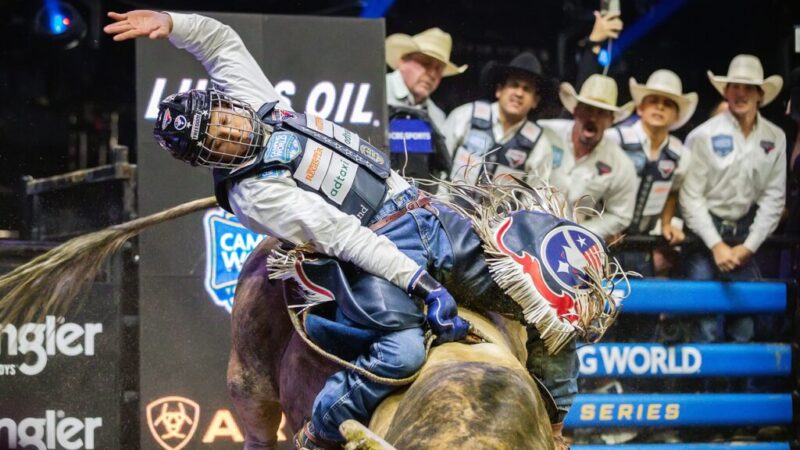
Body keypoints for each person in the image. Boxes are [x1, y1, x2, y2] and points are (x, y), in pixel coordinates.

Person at [105, 11, 622, 450]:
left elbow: (221, 43)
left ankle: (554, 423)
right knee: (401, 353)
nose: (230, 130)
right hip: (372, 246)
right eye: (216, 137)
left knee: (548, 295)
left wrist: (173, 22)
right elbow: (344, 236)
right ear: (208, 155)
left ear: (225, 105)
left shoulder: (259, 101)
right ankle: (319, 432)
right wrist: (421, 284)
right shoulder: (251, 194)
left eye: (222, 119)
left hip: (423, 210)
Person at [680, 54, 785, 283]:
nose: (741, 93)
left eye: (748, 87)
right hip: (703, 233)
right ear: (726, 92)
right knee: (704, 315)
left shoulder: (776, 137)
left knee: (746, 318)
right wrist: (716, 244)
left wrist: (749, 246)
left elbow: (774, 198)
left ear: (760, 95)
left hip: (745, 232)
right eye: (735, 86)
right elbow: (690, 197)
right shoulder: (702, 135)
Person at [605, 69, 698, 276]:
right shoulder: (614, 139)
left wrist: (666, 223)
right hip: (605, 240)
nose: (659, 107)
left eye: (667, 104)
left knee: (643, 305)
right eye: (653, 100)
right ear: (640, 108)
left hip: (642, 243)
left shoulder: (680, 154)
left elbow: (673, 190)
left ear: (676, 116)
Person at [540, 74, 637, 242]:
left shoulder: (620, 164)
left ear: (611, 120)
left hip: (574, 242)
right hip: (528, 227)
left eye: (601, 113)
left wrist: (582, 233)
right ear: (575, 111)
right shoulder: (544, 134)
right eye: (588, 109)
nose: (592, 118)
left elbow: (621, 214)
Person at [443, 51, 553, 188]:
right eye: (514, 85)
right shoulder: (464, 116)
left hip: (503, 209)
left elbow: (534, 199)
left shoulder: (540, 146)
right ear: (499, 90)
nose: (519, 93)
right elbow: (439, 168)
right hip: (447, 207)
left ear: (535, 101)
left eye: (527, 89)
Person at [385, 28, 466, 180]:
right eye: (426, 63)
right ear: (402, 60)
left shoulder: (436, 116)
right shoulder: (375, 90)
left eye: (438, 69)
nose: (432, 74)